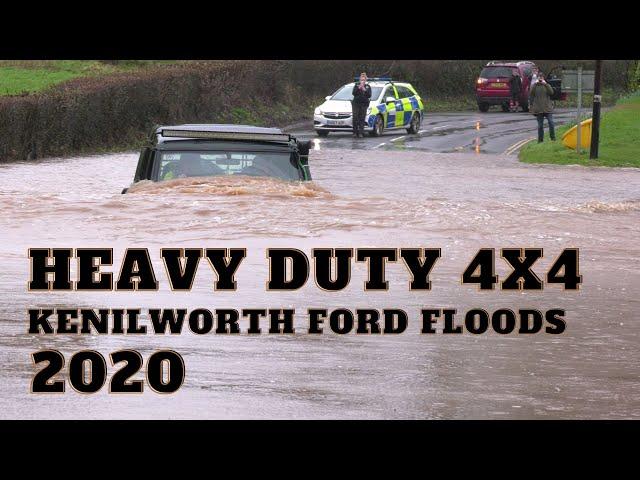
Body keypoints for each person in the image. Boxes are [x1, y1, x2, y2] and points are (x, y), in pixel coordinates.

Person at [528, 73, 556, 142]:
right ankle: (540, 140)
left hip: (547, 108)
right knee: (540, 126)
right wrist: (535, 84)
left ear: (543, 78)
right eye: (539, 77)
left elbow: (551, 92)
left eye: (541, 77)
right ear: (537, 78)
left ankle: (553, 138)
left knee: (551, 123)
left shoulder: (547, 85)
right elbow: (531, 93)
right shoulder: (535, 86)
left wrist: (545, 84)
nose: (540, 79)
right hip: (539, 109)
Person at [351, 72, 371, 138]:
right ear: (360, 79)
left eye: (364, 79)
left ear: (366, 80)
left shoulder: (368, 86)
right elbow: (353, 93)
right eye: (361, 79)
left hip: (364, 104)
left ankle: (361, 133)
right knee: (355, 118)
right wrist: (359, 87)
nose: (362, 81)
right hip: (356, 104)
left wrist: (364, 89)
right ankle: (354, 132)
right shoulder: (356, 85)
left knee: (362, 118)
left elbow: (369, 95)